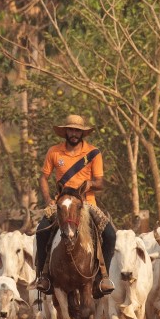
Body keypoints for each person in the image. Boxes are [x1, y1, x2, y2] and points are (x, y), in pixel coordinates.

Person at [34, 114, 116, 296]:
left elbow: (100, 182)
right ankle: (43, 276)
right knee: (41, 231)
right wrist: (48, 200)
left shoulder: (93, 152)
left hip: (86, 203)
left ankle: (104, 277)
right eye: (71, 129)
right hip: (61, 203)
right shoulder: (54, 151)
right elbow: (43, 177)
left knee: (110, 234)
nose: (74, 133)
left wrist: (90, 184)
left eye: (77, 130)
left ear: (82, 133)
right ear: (65, 132)